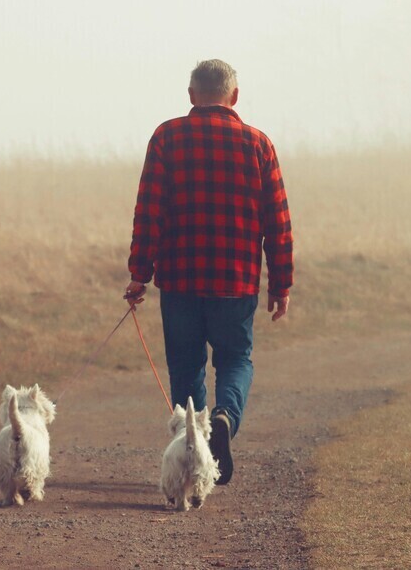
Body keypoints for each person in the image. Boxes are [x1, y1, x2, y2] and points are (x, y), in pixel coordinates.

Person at [124, 59, 293, 485]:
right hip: (235, 282)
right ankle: (225, 418)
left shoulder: (166, 137)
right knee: (236, 359)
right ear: (234, 97)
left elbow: (149, 212)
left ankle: (194, 448)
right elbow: (278, 221)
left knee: (186, 366)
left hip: (179, 280)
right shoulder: (258, 144)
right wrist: (280, 283)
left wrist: (139, 273)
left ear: (191, 95)